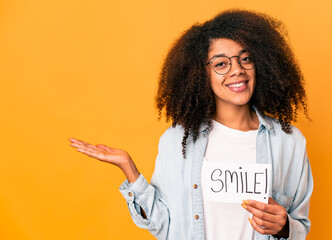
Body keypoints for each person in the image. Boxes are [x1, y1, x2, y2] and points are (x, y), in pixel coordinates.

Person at [69, 9, 313, 240]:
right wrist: (129, 169)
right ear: (201, 74)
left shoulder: (289, 142)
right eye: (221, 64)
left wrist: (284, 227)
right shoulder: (178, 140)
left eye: (245, 58)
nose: (237, 70)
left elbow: (299, 227)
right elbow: (165, 226)